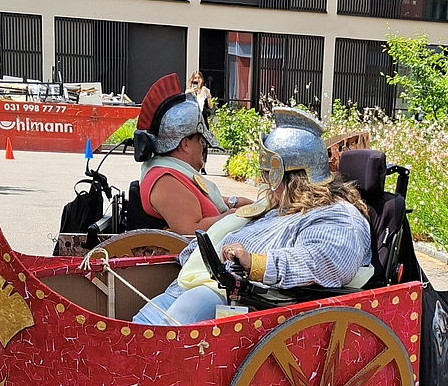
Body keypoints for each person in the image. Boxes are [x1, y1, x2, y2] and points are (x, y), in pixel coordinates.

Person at [134, 107, 372, 326]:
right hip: (207, 284)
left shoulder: (339, 215)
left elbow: (327, 261)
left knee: (161, 339)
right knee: (139, 325)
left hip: (244, 299)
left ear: (286, 176)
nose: (265, 182)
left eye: (269, 174)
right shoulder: (283, 205)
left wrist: (256, 262)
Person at [133, 74, 248, 235]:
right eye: (200, 140)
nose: (203, 145)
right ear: (185, 143)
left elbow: (206, 200)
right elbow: (190, 232)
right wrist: (235, 216)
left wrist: (237, 203)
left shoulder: (175, 172)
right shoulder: (164, 180)